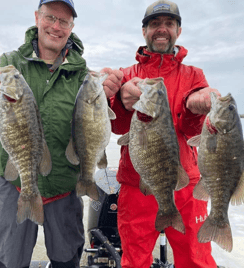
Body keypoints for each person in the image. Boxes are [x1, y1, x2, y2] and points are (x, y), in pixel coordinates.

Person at [0, 0, 123, 267]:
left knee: (67, 260)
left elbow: (93, 124)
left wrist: (110, 96)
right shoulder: (9, 63)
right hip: (15, 186)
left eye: (64, 21)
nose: (56, 26)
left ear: (71, 27)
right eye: (50, 17)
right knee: (7, 260)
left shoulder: (83, 74)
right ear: (37, 17)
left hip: (65, 189)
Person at [109, 1, 223, 268]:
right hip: (137, 184)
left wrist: (196, 109)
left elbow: (194, 131)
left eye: (169, 24)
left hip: (186, 185)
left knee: (197, 260)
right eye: (155, 24)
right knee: (134, 261)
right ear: (144, 31)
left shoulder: (195, 75)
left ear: (178, 31)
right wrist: (123, 104)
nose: (162, 29)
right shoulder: (127, 75)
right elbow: (118, 128)